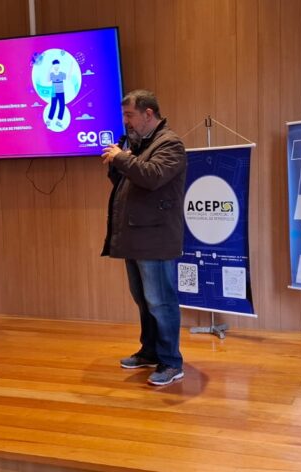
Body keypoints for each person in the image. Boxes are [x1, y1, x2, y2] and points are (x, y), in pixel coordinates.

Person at [100, 89, 187, 386]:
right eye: (124, 115)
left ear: (148, 114)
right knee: (144, 301)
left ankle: (171, 362)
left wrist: (123, 159)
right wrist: (116, 164)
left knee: (160, 302)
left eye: (130, 115)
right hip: (136, 238)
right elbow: (132, 183)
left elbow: (153, 176)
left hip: (155, 240)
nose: (126, 122)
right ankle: (150, 351)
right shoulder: (139, 145)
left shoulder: (170, 143)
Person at [47, 59, 66, 128]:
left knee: (62, 106)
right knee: (53, 106)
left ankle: (58, 121)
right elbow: (47, 80)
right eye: (55, 66)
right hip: (54, 92)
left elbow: (68, 78)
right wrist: (50, 68)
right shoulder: (51, 74)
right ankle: (49, 120)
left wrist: (71, 66)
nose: (56, 67)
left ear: (59, 66)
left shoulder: (61, 74)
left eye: (57, 66)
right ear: (53, 66)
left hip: (61, 92)